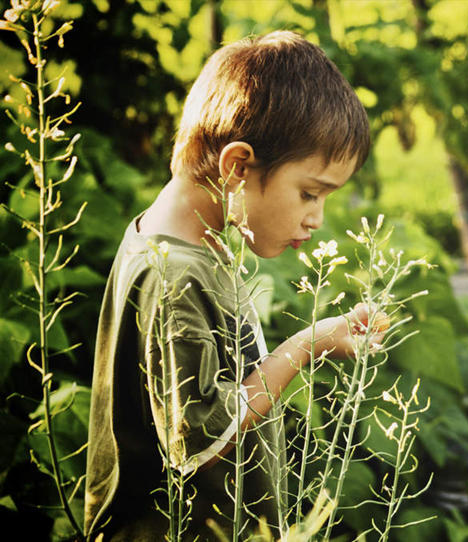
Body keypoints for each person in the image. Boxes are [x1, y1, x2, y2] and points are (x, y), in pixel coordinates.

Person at [84, 30, 383, 541]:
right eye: (310, 193)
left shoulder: (193, 245)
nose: (317, 219)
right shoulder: (172, 272)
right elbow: (197, 436)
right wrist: (307, 345)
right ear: (237, 166)